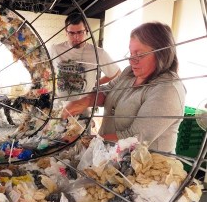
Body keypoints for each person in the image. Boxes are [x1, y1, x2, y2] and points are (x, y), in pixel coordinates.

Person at [62, 22, 186, 153]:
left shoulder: (167, 90)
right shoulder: (129, 73)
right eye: (131, 53)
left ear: (162, 54)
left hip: (145, 168)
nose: (132, 61)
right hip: (112, 158)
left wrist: (84, 140)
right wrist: (84, 102)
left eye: (140, 54)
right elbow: (106, 92)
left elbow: (134, 138)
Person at [50, 12, 120, 101]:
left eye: (80, 32)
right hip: (58, 105)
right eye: (71, 33)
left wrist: (95, 83)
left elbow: (116, 74)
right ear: (66, 32)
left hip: (83, 107)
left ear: (86, 31)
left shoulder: (97, 52)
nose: (76, 37)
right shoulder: (55, 49)